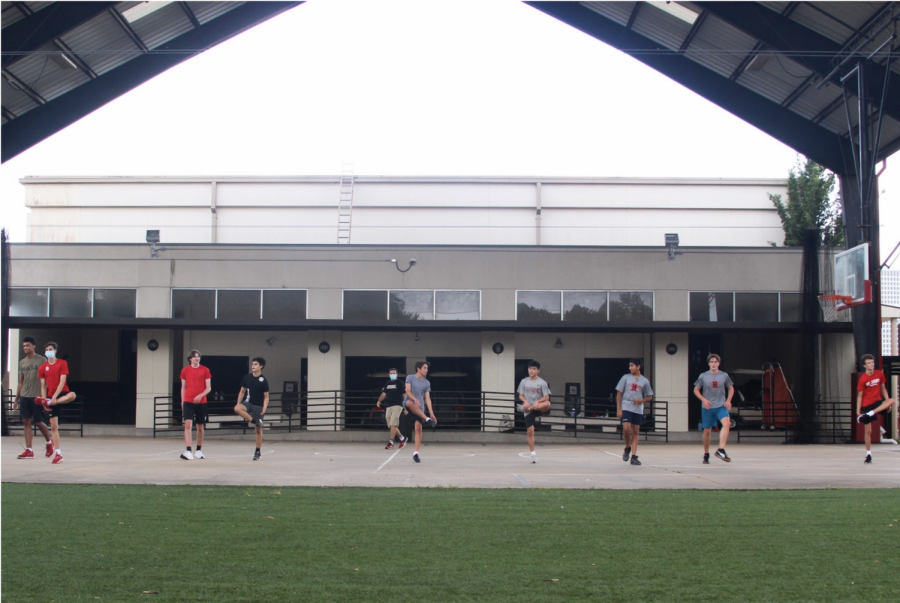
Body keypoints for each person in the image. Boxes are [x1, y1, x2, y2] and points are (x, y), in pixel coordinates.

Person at [36, 342, 77, 464]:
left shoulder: (62, 363)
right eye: (47, 349)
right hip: (49, 397)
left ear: (55, 351)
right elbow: (43, 386)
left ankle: (53, 402)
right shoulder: (42, 367)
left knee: (72, 395)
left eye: (51, 349)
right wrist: (44, 401)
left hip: (61, 394)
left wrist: (54, 399)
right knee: (54, 426)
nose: (49, 351)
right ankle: (58, 453)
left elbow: (62, 381)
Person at [14, 336, 53, 459]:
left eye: (28, 345)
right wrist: (16, 399)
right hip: (25, 395)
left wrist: (42, 394)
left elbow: (47, 378)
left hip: (36, 396)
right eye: (24, 346)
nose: (25, 348)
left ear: (33, 346)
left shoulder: (41, 360)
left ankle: (49, 442)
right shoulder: (22, 362)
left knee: (38, 421)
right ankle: (29, 450)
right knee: (26, 421)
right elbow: (20, 382)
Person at [693, 354, 735, 464]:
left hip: (721, 405)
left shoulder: (724, 375)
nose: (714, 364)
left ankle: (721, 449)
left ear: (719, 364)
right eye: (711, 362)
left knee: (727, 424)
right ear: (708, 364)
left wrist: (728, 400)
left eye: (716, 362)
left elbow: (731, 388)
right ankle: (706, 453)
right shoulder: (703, 376)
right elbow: (696, 390)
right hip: (708, 407)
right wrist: (703, 399)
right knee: (707, 431)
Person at [856, 354, 897, 464]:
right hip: (866, 404)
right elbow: (860, 395)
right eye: (869, 363)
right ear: (864, 365)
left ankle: (871, 413)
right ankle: (868, 454)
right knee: (868, 431)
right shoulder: (863, 379)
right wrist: (858, 410)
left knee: (892, 400)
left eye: (872, 362)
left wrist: (887, 402)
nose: (871, 364)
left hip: (877, 403)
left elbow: (883, 388)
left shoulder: (879, 374)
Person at [616, 358, 654, 466]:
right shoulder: (625, 378)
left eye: (632, 365)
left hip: (638, 408)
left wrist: (641, 400)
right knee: (626, 428)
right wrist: (619, 409)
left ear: (638, 367)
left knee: (636, 432)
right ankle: (627, 447)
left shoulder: (644, 381)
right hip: (627, 405)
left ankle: (634, 456)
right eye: (629, 366)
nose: (630, 368)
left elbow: (649, 396)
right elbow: (619, 393)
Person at [234, 357, 269, 461]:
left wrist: (264, 407)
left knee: (258, 430)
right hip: (248, 402)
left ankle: (257, 451)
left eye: (255, 364)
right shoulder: (247, 377)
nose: (253, 366)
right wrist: (238, 403)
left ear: (261, 366)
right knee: (237, 408)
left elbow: (266, 396)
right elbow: (242, 391)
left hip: (258, 406)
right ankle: (252, 420)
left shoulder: (263, 380)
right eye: (252, 364)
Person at [516, 360, 551, 463]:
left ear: (538, 370)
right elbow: (520, 395)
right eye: (530, 369)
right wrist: (525, 401)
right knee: (530, 431)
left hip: (538, 407)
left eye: (534, 369)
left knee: (548, 404)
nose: (531, 371)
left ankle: (529, 407)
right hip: (529, 409)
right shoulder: (524, 381)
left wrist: (537, 401)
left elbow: (546, 397)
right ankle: (533, 453)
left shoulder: (542, 382)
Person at [180, 349, 211, 460]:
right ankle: (188, 450)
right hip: (188, 401)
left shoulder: (205, 370)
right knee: (188, 425)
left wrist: (200, 395)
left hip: (201, 402)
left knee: (200, 426)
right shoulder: (185, 371)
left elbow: (208, 388)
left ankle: (198, 450)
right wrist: (182, 401)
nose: (197, 358)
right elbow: (183, 387)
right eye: (194, 357)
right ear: (190, 359)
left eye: (198, 356)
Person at [403, 361, 436, 463]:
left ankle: (416, 453)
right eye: (425, 368)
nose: (427, 370)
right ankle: (426, 419)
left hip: (419, 408)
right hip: (409, 403)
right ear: (418, 369)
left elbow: (428, 399)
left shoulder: (427, 383)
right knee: (408, 402)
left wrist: (431, 413)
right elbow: (407, 391)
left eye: (427, 368)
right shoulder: (410, 377)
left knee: (418, 428)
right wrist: (415, 399)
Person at [376, 368, 408, 450]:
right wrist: (379, 401)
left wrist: (406, 407)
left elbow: (404, 395)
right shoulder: (387, 383)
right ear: (389, 374)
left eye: (394, 373)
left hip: (398, 405)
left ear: (396, 374)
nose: (392, 374)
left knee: (393, 423)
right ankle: (402, 438)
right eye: (391, 373)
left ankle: (391, 442)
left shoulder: (400, 383)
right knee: (390, 424)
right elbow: (384, 393)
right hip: (389, 405)